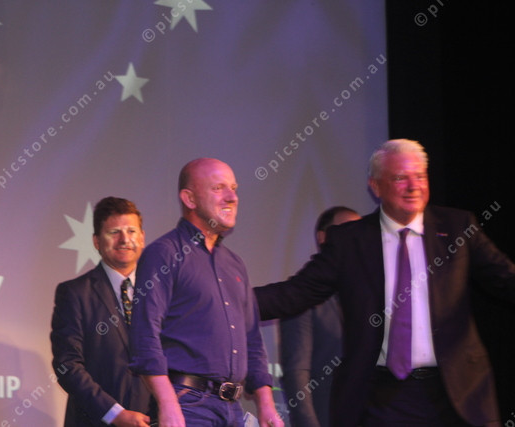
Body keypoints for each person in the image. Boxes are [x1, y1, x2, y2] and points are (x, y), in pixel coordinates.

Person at [254, 139, 515, 427]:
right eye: (401, 178)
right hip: (381, 399)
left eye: (420, 176)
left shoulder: (457, 228)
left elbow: (506, 278)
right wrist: (228, 302)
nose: (413, 186)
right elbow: (296, 293)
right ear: (376, 186)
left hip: (456, 395)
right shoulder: (349, 240)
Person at [129, 158, 283, 427]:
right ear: (189, 199)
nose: (232, 197)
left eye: (234, 188)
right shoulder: (163, 254)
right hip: (187, 405)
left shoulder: (234, 264)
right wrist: (168, 404)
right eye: (218, 188)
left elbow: (252, 340)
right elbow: (145, 335)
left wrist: (266, 405)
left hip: (232, 409)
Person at [51, 197, 152, 427]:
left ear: (142, 238)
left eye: (131, 231)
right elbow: (68, 365)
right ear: (96, 241)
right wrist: (115, 414)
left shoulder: (161, 292)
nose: (125, 239)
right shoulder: (74, 293)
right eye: (114, 232)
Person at [279, 206, 360, 427]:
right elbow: (297, 372)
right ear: (323, 238)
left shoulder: (369, 295)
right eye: (348, 230)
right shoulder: (302, 295)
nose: (357, 239)